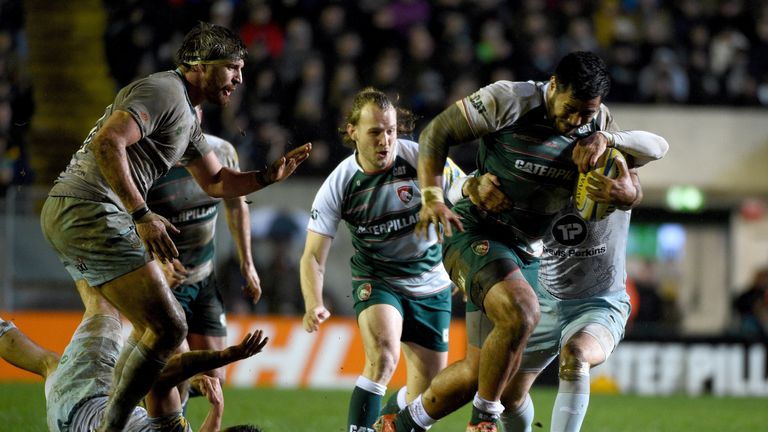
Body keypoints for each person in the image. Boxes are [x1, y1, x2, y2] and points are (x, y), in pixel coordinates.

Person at [376, 51, 669, 432]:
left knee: (477, 373)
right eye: (572, 109)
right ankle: (484, 420)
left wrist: (608, 146)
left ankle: (399, 424)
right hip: (476, 229)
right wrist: (435, 197)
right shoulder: (509, 100)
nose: (577, 121)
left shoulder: (597, 125)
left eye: (587, 113)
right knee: (523, 312)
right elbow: (437, 133)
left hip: (523, 253)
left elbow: (643, 167)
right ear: (553, 86)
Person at [39, 22, 311, 432]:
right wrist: (141, 214)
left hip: (85, 212)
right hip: (90, 209)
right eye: (233, 67)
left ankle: (105, 415)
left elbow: (217, 182)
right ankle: (109, 425)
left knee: (143, 327)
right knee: (168, 328)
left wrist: (266, 177)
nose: (240, 78)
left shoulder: (186, 117)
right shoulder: (164, 91)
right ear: (200, 65)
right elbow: (107, 142)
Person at [299, 87, 464, 432]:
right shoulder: (340, 184)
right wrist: (313, 302)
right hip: (379, 279)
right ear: (352, 132)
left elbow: (466, 200)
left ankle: (385, 423)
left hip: (432, 281)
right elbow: (313, 255)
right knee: (384, 357)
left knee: (427, 394)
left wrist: (465, 267)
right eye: (374, 132)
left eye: (390, 130)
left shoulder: (423, 161)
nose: (384, 140)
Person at [0, 283, 268, 432]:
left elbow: (159, 381)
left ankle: (77, 237)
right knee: (51, 366)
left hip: (88, 401)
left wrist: (224, 356)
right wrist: (216, 411)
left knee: (103, 304)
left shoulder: (172, 429)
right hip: (68, 419)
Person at [146, 107, 261, 400]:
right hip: (166, 285)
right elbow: (127, 222)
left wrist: (247, 262)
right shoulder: (147, 163)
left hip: (204, 277)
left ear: (200, 116)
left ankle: (145, 386)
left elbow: (236, 205)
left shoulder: (221, 152)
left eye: (191, 113)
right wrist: (155, 265)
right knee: (179, 372)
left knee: (214, 377)